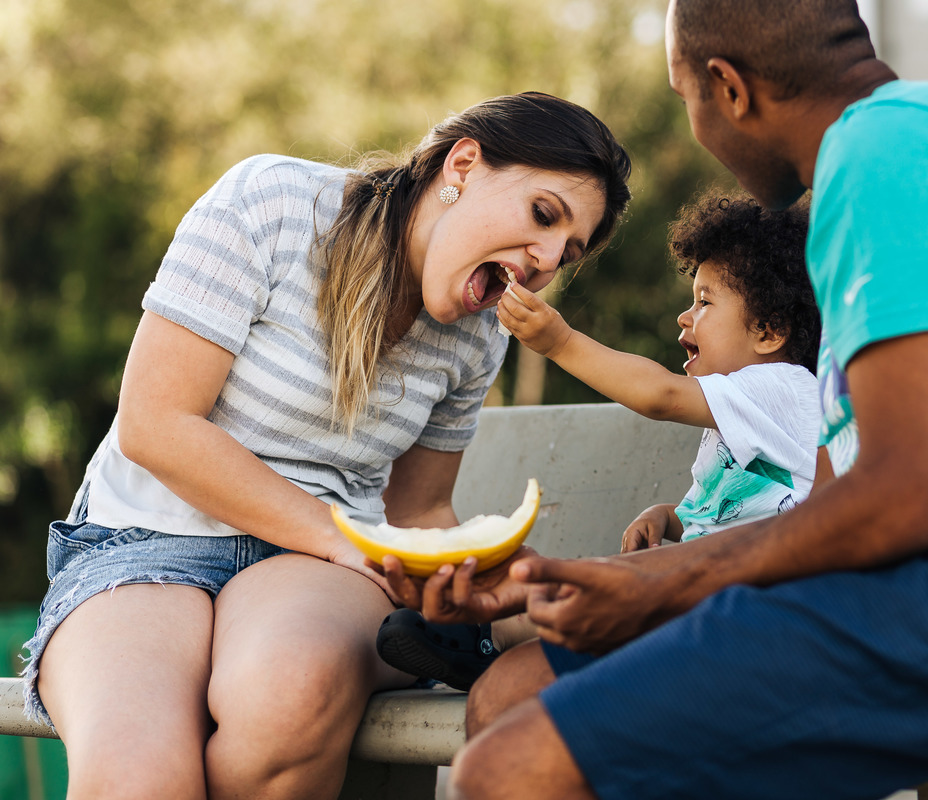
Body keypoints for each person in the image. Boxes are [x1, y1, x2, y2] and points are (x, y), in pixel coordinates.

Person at [385, 3, 928, 799]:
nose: (697, 128)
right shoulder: (899, 156)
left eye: (687, 100)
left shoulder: (888, 155)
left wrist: (657, 587)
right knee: (506, 703)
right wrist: (586, 582)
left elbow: (902, 502)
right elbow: (841, 501)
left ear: (729, 88)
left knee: (511, 772)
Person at [20, 92, 630, 800]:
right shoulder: (271, 201)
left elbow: (420, 509)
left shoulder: (480, 332)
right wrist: (343, 540)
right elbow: (156, 426)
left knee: (288, 697)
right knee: (139, 778)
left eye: (567, 252)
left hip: (316, 571)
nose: (545, 261)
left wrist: (482, 578)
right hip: (144, 539)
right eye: (543, 215)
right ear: (463, 163)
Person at [375, 191, 829, 691]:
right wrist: (670, 517)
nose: (685, 317)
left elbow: (658, 394)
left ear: (769, 330)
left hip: (753, 604)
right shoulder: (738, 416)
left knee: (607, 579)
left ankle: (490, 636)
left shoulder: (791, 388)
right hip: (703, 593)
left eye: (704, 302)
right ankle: (492, 638)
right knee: (615, 580)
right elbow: (727, 512)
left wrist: (559, 342)